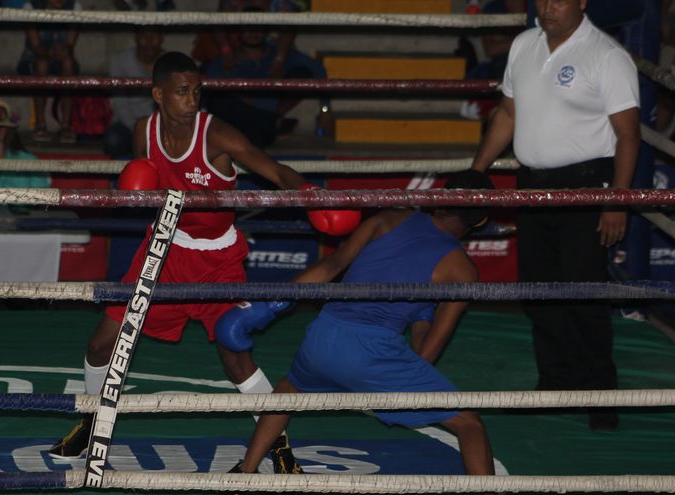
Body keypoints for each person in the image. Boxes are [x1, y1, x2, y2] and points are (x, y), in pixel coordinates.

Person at [47, 52, 359, 467]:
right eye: (182, 92)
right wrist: (138, 194)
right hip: (164, 249)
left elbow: (275, 171)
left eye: (196, 90)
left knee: (235, 355)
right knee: (103, 341)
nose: (192, 100)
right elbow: (147, 192)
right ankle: (91, 423)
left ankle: (278, 444)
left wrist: (312, 194)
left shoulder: (217, 135)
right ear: (158, 95)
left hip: (217, 260)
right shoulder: (144, 132)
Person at [220, 170, 496, 477]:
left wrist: (270, 305)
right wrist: (397, 381)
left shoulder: (389, 218)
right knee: (469, 423)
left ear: (439, 198)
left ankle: (246, 471)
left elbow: (332, 265)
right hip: (373, 353)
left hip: (324, 335)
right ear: (481, 220)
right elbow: (430, 350)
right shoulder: (462, 270)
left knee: (287, 390)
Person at [470, 0, 641, 431]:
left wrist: (617, 201)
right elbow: (508, 113)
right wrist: (476, 171)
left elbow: (627, 135)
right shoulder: (523, 44)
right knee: (539, 290)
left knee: (583, 293)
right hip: (531, 187)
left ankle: (600, 394)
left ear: (582, 1)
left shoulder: (607, 55)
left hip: (585, 188)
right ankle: (556, 382)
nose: (548, 7)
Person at [199, 0, 332, 146]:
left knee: (301, 74)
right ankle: (272, 123)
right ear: (239, 30)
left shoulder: (278, 55)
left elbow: (317, 69)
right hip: (242, 122)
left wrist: (325, 110)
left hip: (259, 125)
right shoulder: (225, 61)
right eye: (247, 27)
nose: (253, 32)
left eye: (259, 27)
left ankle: (269, 122)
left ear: (268, 30)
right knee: (217, 97)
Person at [17, 0, 81, 144]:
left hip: (62, 59)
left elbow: (69, 46)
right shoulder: (31, 7)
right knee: (42, 64)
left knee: (68, 63)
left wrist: (61, 51)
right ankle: (40, 124)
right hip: (33, 59)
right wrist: (49, 53)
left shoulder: (75, 7)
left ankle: (66, 125)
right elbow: (35, 46)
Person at [104, 27, 163, 160]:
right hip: (127, 125)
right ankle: (127, 169)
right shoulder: (120, 60)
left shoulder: (170, 61)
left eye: (154, 36)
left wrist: (155, 130)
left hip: (160, 126)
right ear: (136, 37)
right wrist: (140, 131)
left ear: (161, 38)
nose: (149, 41)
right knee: (113, 140)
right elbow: (120, 104)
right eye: (144, 36)